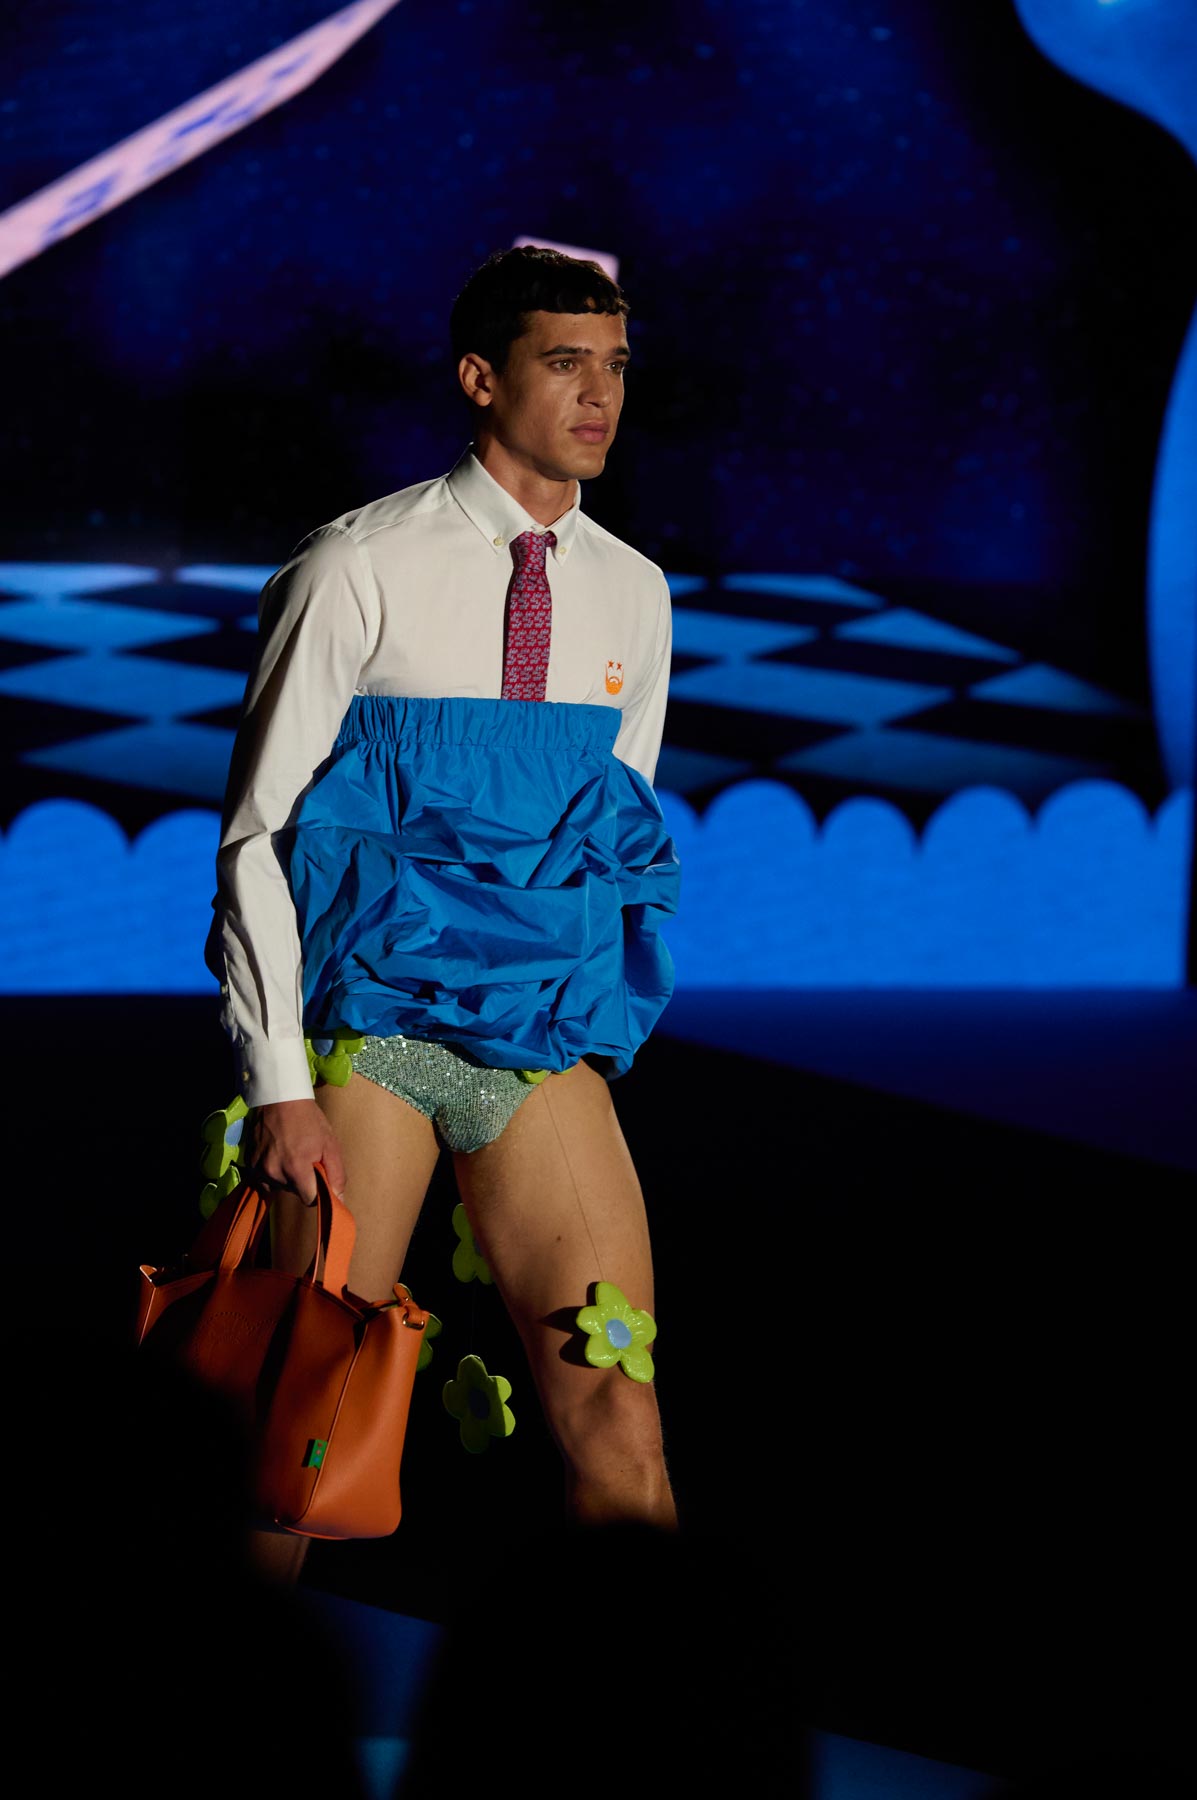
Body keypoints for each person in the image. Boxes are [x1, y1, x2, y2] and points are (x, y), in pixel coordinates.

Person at [205, 245, 681, 1580]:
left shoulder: (633, 591)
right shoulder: (356, 564)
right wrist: (278, 1085)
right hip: (369, 1044)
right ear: (481, 378)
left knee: (620, 1420)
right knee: (303, 1438)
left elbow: (612, 825)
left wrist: (585, 1014)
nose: (599, 395)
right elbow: (257, 840)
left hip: (536, 1048)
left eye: (615, 366)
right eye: (564, 363)